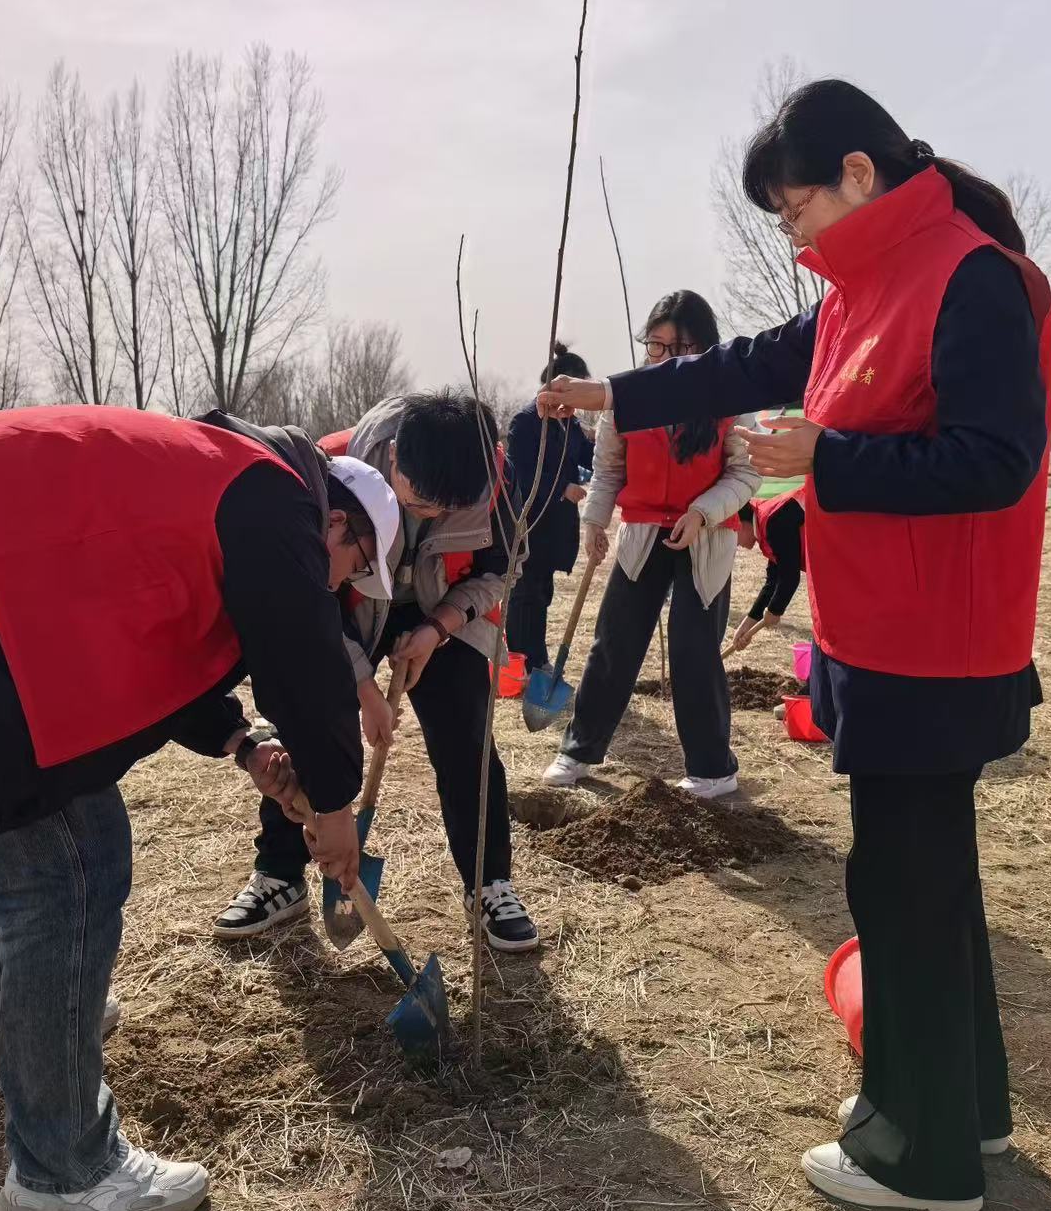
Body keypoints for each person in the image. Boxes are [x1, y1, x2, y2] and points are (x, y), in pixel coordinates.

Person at [537, 79, 1051, 1211]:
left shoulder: (969, 277)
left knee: (902, 886)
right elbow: (730, 369)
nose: (792, 231)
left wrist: (825, 458)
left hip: (937, 643)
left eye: (794, 206)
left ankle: (916, 1158)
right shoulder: (860, 294)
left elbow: (997, 460)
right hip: (879, 636)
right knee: (928, 881)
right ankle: (964, 1108)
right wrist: (608, 391)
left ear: (858, 173)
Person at [0, 404, 400, 1211]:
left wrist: (245, 747)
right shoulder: (273, 495)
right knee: (69, 862)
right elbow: (300, 653)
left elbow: (163, 641)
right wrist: (337, 807)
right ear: (337, 523)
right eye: (350, 570)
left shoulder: (213, 478)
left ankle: (5, 1019)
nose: (337, 585)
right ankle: (63, 1171)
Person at [216, 390, 541, 951]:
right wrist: (363, 682)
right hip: (348, 613)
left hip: (446, 611)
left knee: (466, 736)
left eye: (445, 510)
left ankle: (489, 883)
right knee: (310, 718)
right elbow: (309, 595)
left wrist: (437, 628)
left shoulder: (493, 483)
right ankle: (279, 873)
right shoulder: (328, 472)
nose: (428, 515)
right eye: (418, 501)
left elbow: (504, 570)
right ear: (393, 458)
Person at [541, 291, 760, 799]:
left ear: (705, 347)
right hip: (642, 533)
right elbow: (608, 470)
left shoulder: (729, 398)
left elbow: (746, 472)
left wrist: (702, 511)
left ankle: (712, 769)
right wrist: (595, 522)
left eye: (680, 348)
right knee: (614, 643)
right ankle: (579, 749)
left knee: (693, 651)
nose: (665, 358)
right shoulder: (627, 396)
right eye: (656, 346)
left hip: (704, 534)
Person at [505, 342, 595, 673]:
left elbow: (589, 457)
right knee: (524, 593)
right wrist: (561, 489)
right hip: (530, 523)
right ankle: (521, 664)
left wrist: (611, 443)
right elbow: (520, 474)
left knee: (542, 592)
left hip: (555, 526)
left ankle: (536, 659)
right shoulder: (526, 422)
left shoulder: (569, 424)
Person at [731, 486, 806, 652]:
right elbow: (774, 581)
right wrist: (747, 624)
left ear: (739, 524)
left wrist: (775, 609)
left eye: (732, 535)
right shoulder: (765, 524)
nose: (735, 545)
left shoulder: (773, 520)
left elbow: (790, 576)